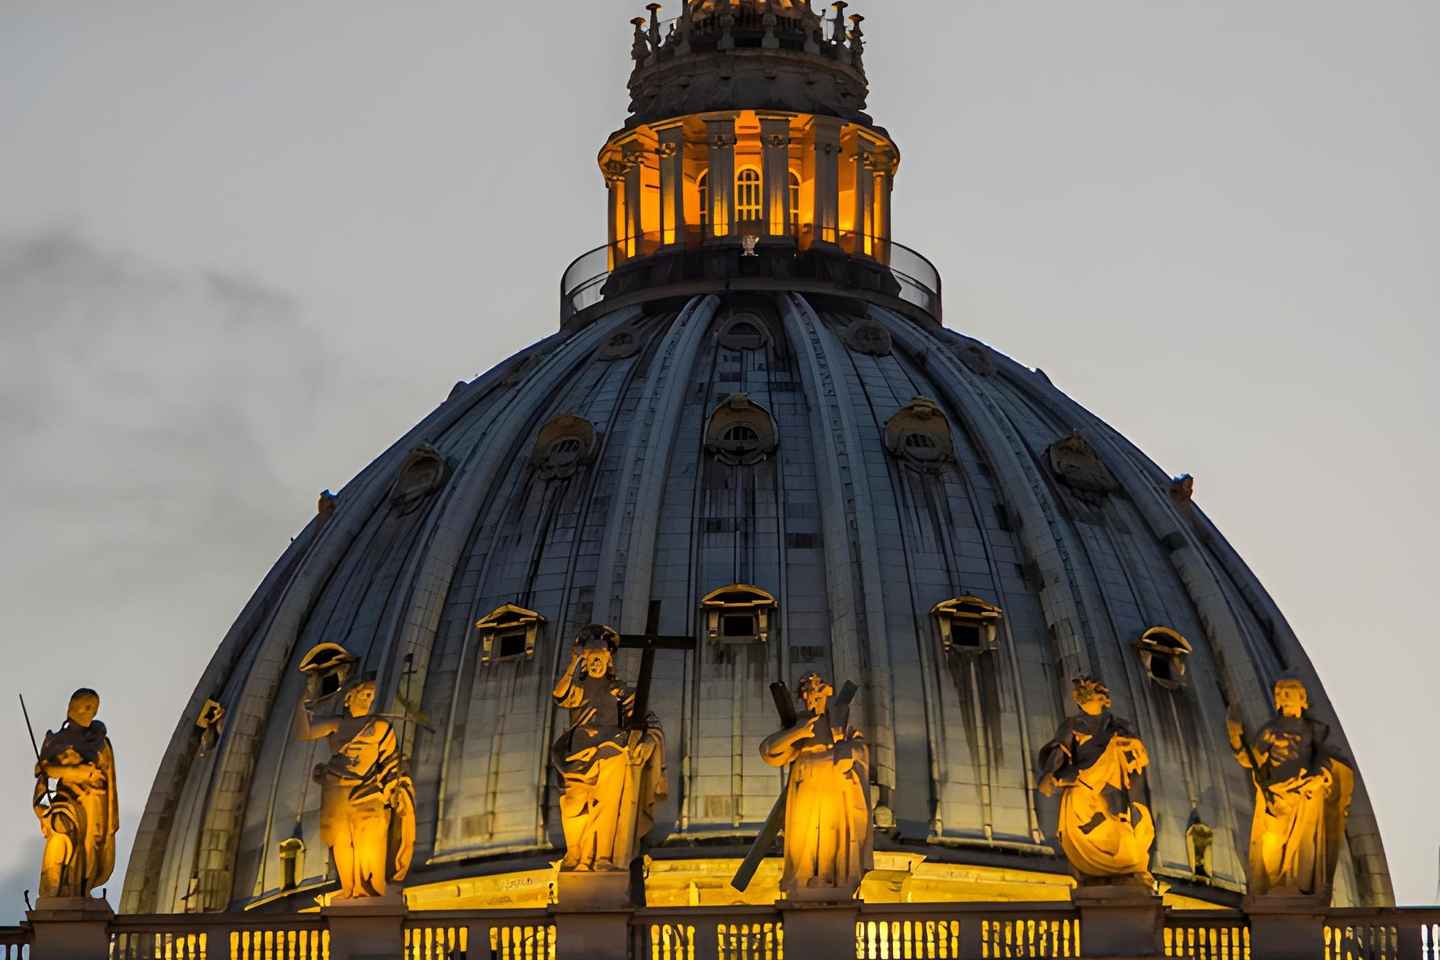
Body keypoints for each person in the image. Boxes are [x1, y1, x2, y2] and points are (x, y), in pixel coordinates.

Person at [1228, 677, 1353, 898]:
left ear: (1302, 698)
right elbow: (1251, 759)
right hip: (1276, 794)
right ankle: (1273, 887)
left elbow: (1326, 757)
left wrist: (1320, 775)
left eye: (1289, 692)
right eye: (1281, 693)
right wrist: (1236, 738)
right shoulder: (1271, 730)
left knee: (1305, 845)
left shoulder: (1312, 730)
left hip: (1304, 792)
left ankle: (1299, 889)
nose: (1284, 697)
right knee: (1272, 841)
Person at [295, 675, 415, 899]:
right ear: (349, 697)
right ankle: (350, 889)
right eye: (365, 694)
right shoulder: (336, 724)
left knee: (371, 839)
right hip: (337, 789)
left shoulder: (380, 727)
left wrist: (397, 784)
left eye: (372, 696)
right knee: (341, 840)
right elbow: (305, 732)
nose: (369, 699)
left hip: (367, 790)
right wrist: (299, 703)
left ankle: (372, 888)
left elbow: (391, 761)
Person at [759, 673, 873, 899]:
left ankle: (833, 879)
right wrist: (798, 732)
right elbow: (769, 751)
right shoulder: (797, 723)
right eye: (808, 692)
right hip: (806, 781)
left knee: (833, 834)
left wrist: (847, 751)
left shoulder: (842, 723)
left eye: (816, 690)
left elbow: (861, 748)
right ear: (803, 697)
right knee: (804, 837)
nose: (812, 697)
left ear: (826, 693)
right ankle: (803, 880)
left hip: (835, 783)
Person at [1036, 676, 1154, 883]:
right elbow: (1060, 751)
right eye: (1083, 699)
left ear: (1102, 700)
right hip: (1082, 786)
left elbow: (1139, 757)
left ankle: (1125, 866)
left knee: (1120, 828)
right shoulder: (1072, 726)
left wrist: (1134, 747)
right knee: (1093, 829)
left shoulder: (1120, 726)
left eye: (1091, 697)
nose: (1085, 702)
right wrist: (1050, 773)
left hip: (1112, 785)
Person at [32, 688, 118, 899]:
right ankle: (64, 889)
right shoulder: (56, 740)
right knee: (65, 838)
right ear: (72, 707)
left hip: (95, 802)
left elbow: (105, 776)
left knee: (91, 846)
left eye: (93, 708)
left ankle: (82, 890)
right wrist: (72, 771)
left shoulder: (100, 741)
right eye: (86, 706)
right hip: (68, 801)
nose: (90, 712)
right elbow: (43, 773)